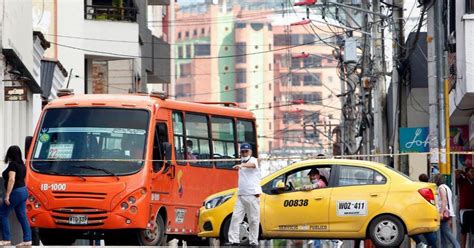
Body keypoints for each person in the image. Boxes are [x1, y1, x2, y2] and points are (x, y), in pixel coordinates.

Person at [226, 143, 261, 247]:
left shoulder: (253, 160)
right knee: (235, 218)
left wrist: (242, 165)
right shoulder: (241, 160)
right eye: (242, 151)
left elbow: (253, 165)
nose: (244, 153)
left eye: (246, 151)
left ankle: (253, 241)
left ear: (250, 152)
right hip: (241, 195)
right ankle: (234, 240)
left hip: (252, 194)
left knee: (253, 219)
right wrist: (240, 163)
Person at [0, 146, 32, 246]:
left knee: (2, 213)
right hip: (23, 191)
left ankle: (6, 239)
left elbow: (12, 179)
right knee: (22, 216)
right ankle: (27, 240)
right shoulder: (22, 165)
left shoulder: (13, 165)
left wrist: (7, 195)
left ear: (10, 154)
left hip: (16, 192)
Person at [433, 174, 460, 248]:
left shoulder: (441, 188)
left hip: (444, 212)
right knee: (443, 233)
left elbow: (444, 200)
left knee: (446, 232)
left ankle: (457, 246)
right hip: (448, 212)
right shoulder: (447, 187)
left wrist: (441, 213)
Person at [412, 173, 438, 248]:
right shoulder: (431, 188)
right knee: (428, 232)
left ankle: (420, 243)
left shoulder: (420, 189)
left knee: (412, 230)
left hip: (420, 213)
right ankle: (430, 246)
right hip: (429, 213)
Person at [456, 167, 474, 248]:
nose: (473, 173)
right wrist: (465, 173)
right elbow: (457, 172)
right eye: (472, 171)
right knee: (464, 231)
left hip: (473, 209)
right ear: (467, 173)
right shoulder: (463, 181)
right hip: (464, 210)